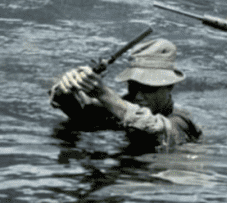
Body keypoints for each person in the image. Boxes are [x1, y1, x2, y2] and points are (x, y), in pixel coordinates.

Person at [50, 38, 202, 150]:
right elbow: (78, 110)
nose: (138, 96)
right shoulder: (123, 104)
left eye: (148, 88)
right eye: (133, 87)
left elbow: (154, 127)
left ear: (170, 86)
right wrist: (67, 87)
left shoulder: (182, 121)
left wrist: (103, 93)